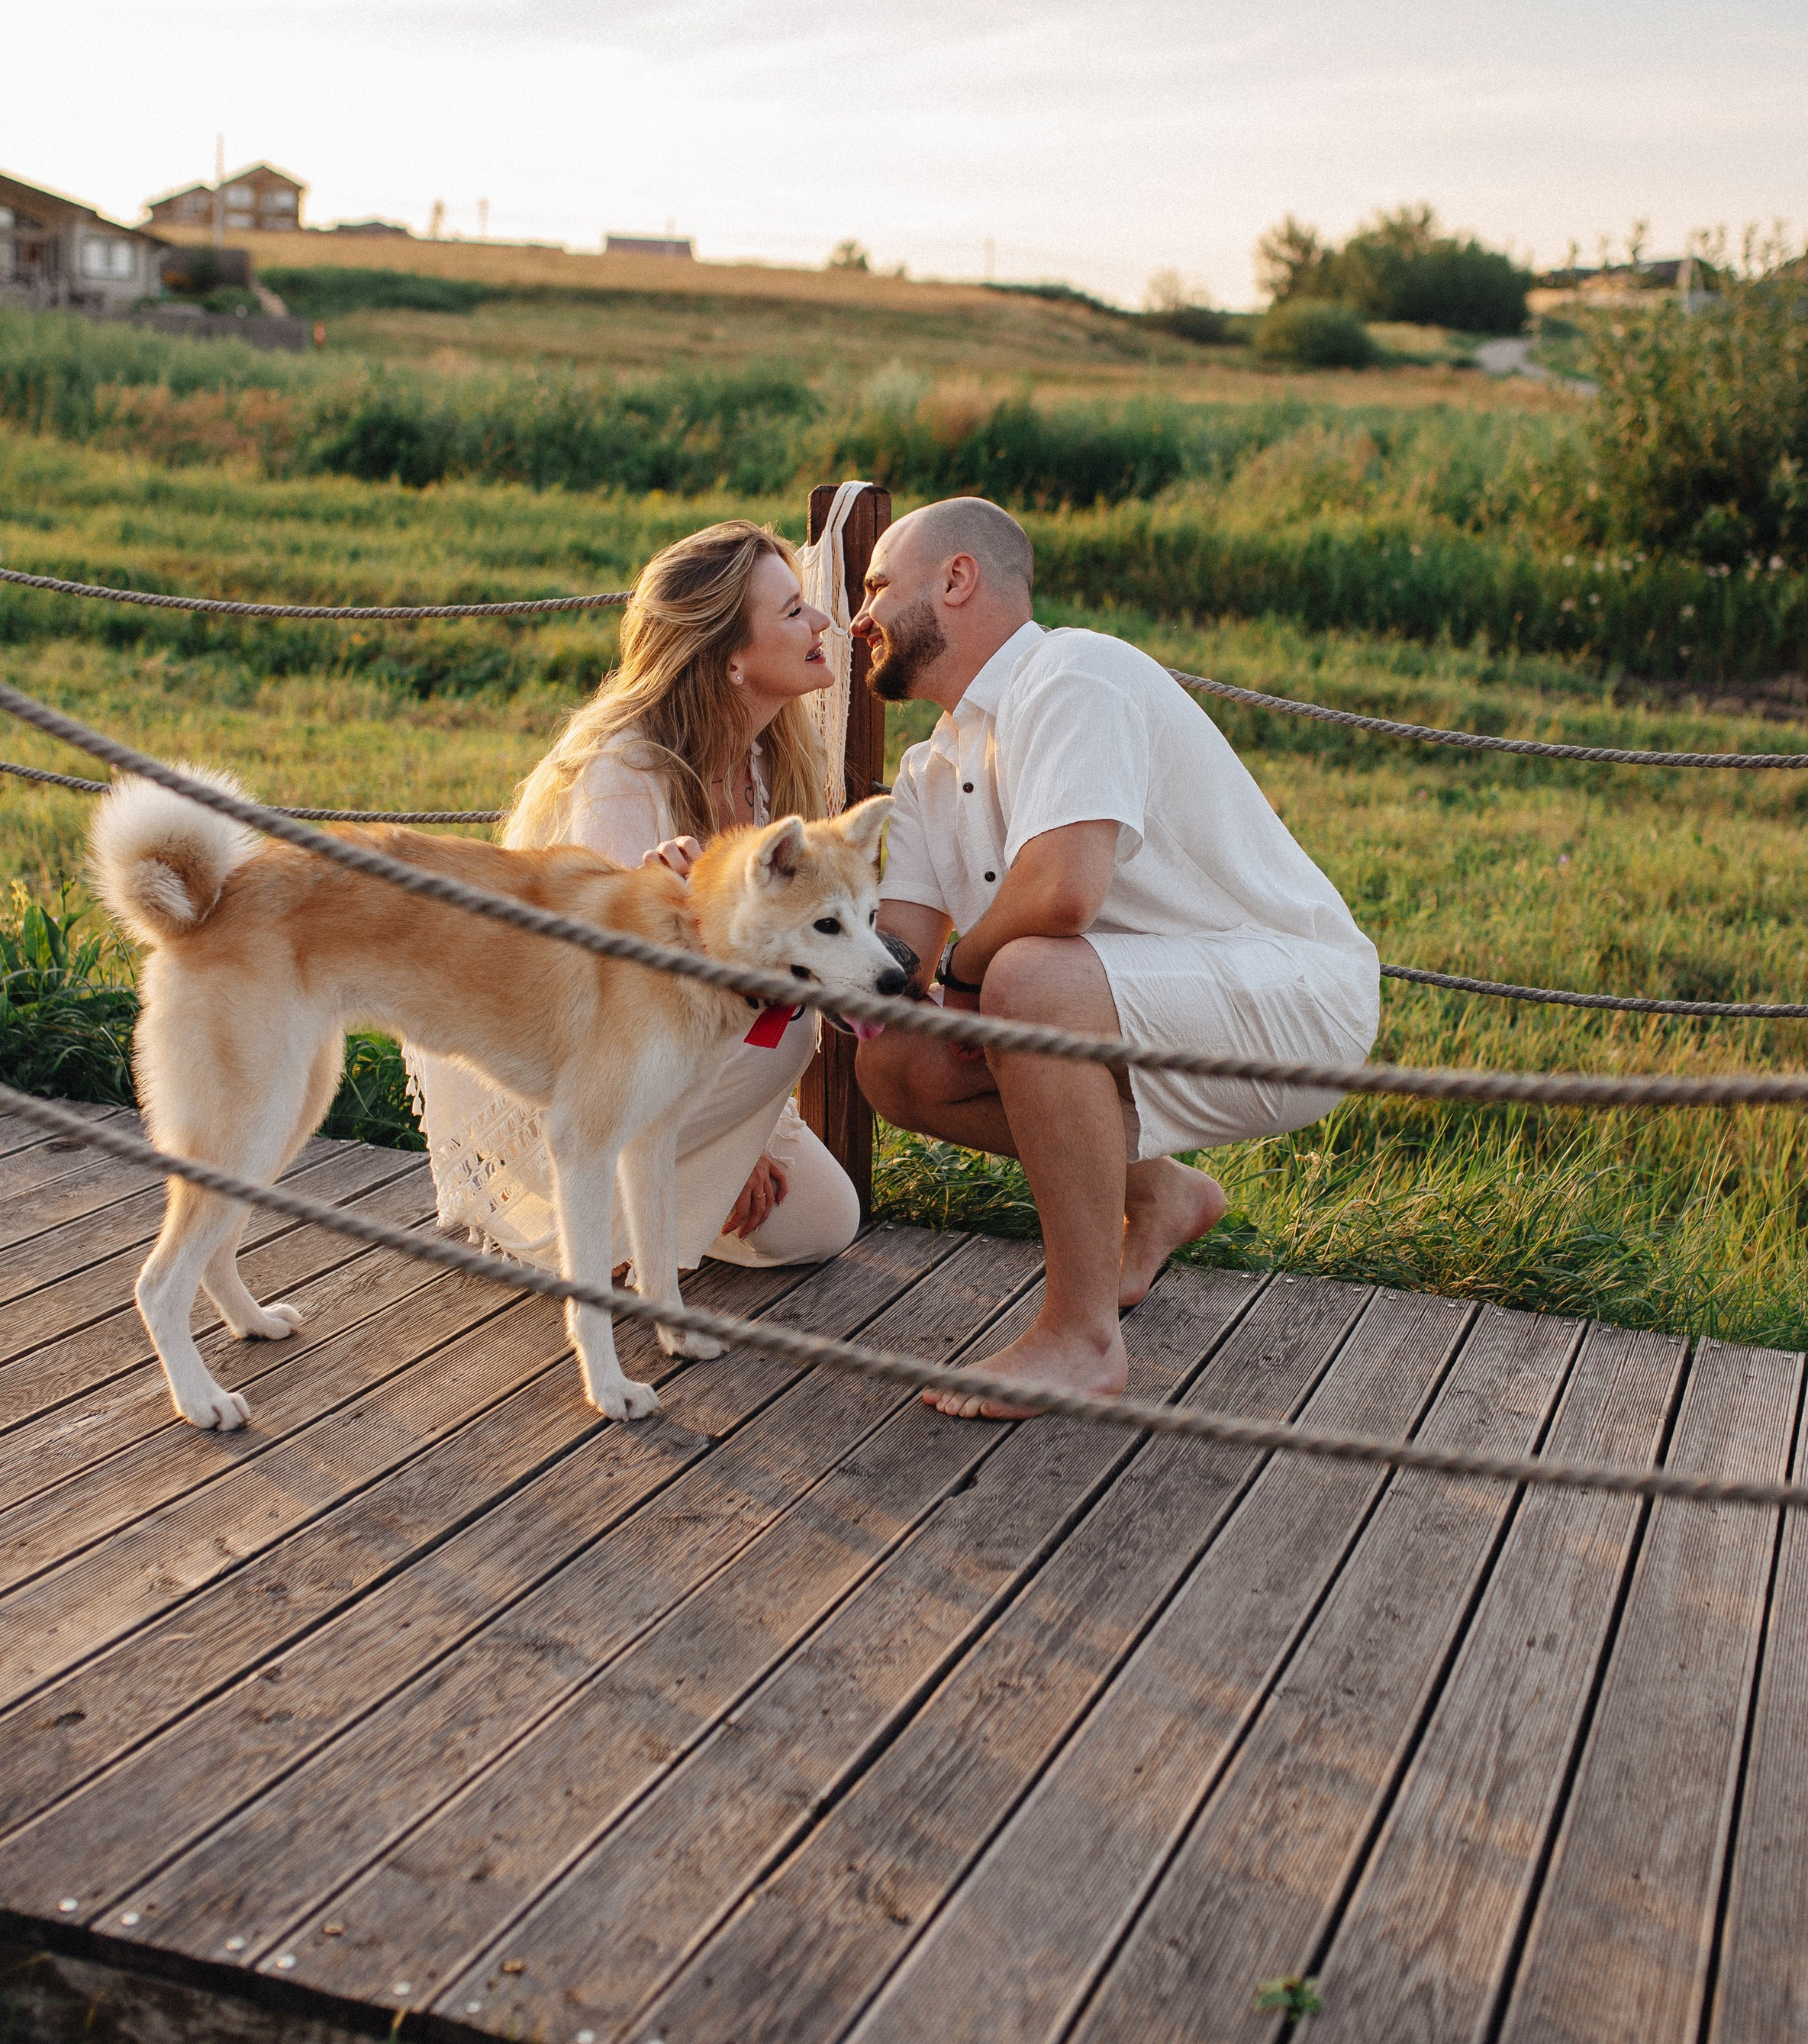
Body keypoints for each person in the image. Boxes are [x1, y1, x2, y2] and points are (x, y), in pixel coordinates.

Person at [852, 497, 1379, 1417]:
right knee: (895, 1061)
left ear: (957, 579)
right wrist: (773, 933)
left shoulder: (1073, 673)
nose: (859, 617)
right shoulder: (929, 769)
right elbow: (897, 960)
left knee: (1025, 977)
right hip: (1125, 1009)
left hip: (1293, 1001)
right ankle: (1160, 1195)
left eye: (876, 587)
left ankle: (1081, 1338)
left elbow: (1063, 891)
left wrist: (968, 977)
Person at [404, 520, 862, 1275]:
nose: (820, 622)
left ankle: (652, 1206)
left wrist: (742, 1131)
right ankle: (594, 1232)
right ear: (730, 658)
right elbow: (617, 1006)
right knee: (787, 1028)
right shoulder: (625, 773)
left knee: (820, 1222)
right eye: (791, 611)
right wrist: (724, 1134)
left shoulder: (769, 760)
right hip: (562, 1066)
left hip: (678, 1055)